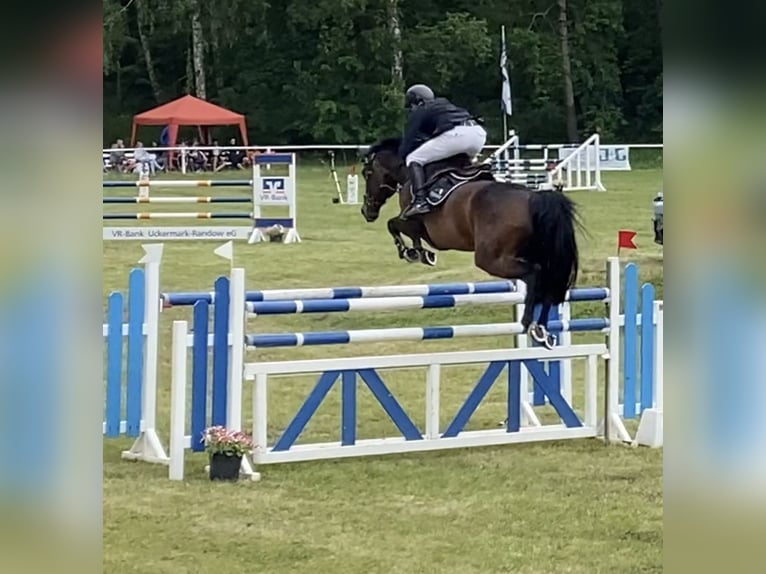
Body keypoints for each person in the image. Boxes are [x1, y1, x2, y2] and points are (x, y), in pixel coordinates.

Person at [398, 84, 487, 219]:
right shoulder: (444, 104)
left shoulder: (421, 109)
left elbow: (410, 138)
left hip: (458, 135)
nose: (411, 109)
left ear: (416, 101)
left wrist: (401, 157)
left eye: (411, 105)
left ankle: (420, 201)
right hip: (478, 134)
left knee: (414, 158)